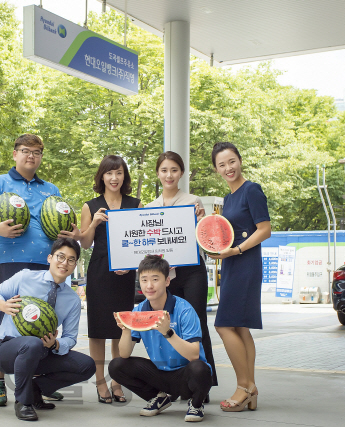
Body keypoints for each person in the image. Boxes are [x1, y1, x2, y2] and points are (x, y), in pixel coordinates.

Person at [0, 134, 78, 406]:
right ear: (15, 153)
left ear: (41, 156)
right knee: (5, 315)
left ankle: (37, 378)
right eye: (25, 151)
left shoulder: (51, 189)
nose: (31, 156)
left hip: (45, 264)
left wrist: (70, 234)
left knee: (40, 319)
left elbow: (61, 220)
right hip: (9, 260)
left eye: (36, 152)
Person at [0, 238, 96, 421]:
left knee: (87, 365)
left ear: (75, 264)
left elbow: (70, 338)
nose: (64, 263)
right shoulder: (25, 277)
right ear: (50, 258)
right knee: (31, 344)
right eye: (60, 257)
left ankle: (36, 389)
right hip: (5, 350)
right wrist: (3, 305)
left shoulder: (72, 300)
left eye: (71, 260)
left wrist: (55, 344)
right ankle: (23, 402)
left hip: (42, 352)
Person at [109, 255, 213, 423]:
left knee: (200, 369)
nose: (149, 285)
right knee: (117, 365)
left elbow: (194, 354)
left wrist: (168, 333)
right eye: (144, 280)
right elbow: (125, 354)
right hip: (159, 375)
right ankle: (158, 398)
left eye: (155, 279)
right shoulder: (139, 311)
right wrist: (126, 330)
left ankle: (196, 403)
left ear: (167, 281)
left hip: (185, 376)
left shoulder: (184, 309)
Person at [145, 151, 218, 390]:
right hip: (166, 276)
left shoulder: (193, 201)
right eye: (164, 170)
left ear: (181, 173)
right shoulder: (149, 208)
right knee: (170, 325)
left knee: (197, 324)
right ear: (157, 173)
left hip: (191, 271)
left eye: (174, 170)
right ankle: (179, 382)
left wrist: (202, 220)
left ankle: (204, 382)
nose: (169, 175)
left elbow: (204, 237)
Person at [208, 142, 271, 412]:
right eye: (222, 165)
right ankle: (251, 387)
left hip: (245, 264)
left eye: (231, 161)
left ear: (240, 161)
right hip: (233, 264)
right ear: (216, 169)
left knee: (223, 325)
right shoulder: (230, 197)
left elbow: (265, 229)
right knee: (240, 327)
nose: (228, 168)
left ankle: (243, 387)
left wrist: (236, 250)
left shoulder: (251, 190)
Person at [79, 155, 142, 404]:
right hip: (99, 271)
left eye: (118, 173)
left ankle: (118, 382)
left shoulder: (135, 204)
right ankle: (100, 383)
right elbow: (84, 242)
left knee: (121, 330)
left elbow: (140, 243)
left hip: (125, 274)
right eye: (109, 173)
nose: (114, 178)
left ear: (124, 176)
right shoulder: (90, 205)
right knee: (97, 332)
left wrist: (129, 265)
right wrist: (93, 223)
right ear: (101, 177)